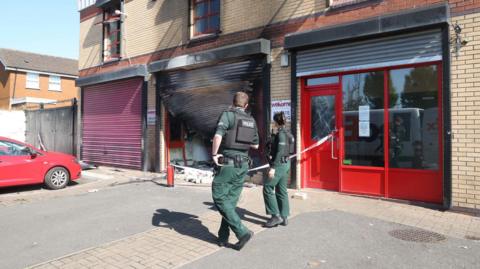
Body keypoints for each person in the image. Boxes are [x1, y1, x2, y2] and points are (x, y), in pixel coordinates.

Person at [211, 91, 259, 250]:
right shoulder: (251, 120)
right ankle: (223, 237)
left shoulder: (228, 115)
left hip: (229, 164)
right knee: (230, 201)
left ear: (233, 103)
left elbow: (218, 136)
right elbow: (256, 145)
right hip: (243, 166)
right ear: (246, 105)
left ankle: (242, 232)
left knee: (219, 195)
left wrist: (214, 154)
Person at [263, 112, 291, 228]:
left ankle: (275, 216)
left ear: (275, 122)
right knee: (281, 190)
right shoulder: (286, 133)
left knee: (268, 187)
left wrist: (273, 167)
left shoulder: (281, 135)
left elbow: (279, 151)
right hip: (286, 163)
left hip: (279, 165)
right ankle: (284, 217)